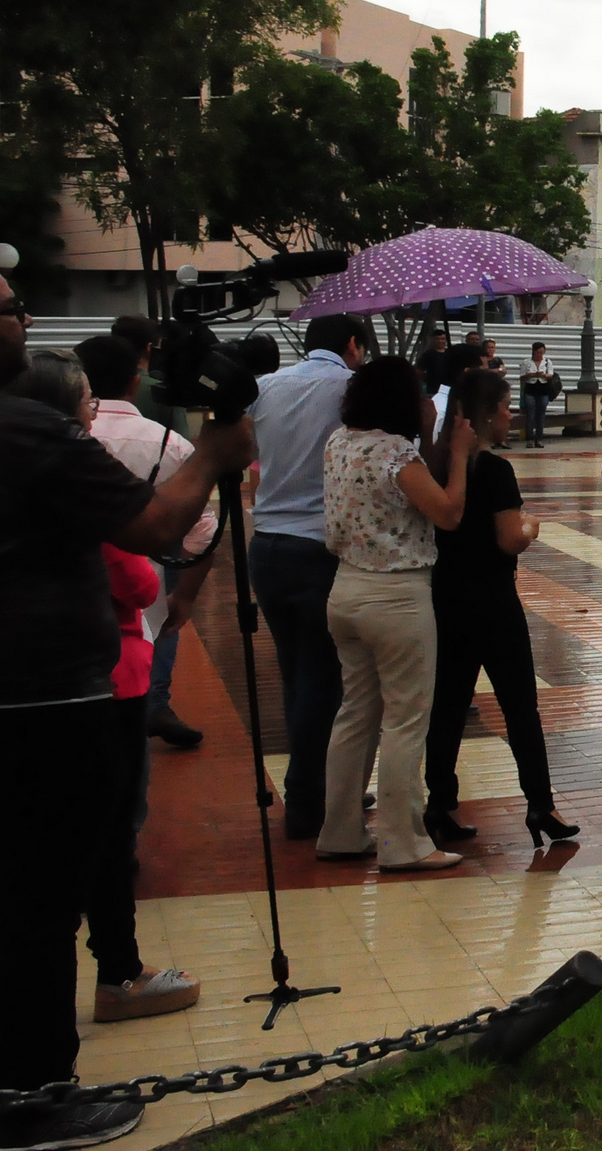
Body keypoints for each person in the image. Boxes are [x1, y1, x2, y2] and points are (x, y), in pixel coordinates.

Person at [0, 260, 250, 1151]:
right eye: (11, 311)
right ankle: (33, 1097)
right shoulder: (23, 430)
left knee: (9, 860)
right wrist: (215, 453)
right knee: (40, 894)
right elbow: (150, 525)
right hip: (38, 698)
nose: (24, 323)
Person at [7, 351, 202, 1027]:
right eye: (85, 399)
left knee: (13, 842)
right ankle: (119, 971)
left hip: (15, 676)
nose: (93, 409)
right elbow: (140, 579)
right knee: (106, 832)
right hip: (104, 674)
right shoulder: (70, 469)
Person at [316, 357, 473, 871]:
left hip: (345, 591)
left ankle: (339, 831)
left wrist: (425, 434)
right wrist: (461, 455)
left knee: (355, 713)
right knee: (406, 720)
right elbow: (447, 513)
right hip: (396, 596)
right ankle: (402, 844)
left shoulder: (340, 442)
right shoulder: (395, 452)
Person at [423, 369, 578, 849]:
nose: (512, 416)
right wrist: (531, 528)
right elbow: (509, 539)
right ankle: (540, 802)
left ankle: (441, 803)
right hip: (492, 599)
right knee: (519, 705)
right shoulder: (494, 471)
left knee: (447, 706)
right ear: (487, 415)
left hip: (446, 597)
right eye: (507, 407)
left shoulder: (433, 465)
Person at [248, 313, 374, 841]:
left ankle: (320, 781)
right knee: (325, 679)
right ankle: (307, 798)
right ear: (351, 345)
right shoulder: (352, 389)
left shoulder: (264, 387)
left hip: (267, 545)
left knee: (296, 671)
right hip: (317, 547)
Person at [77, 335, 216, 750]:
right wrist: (186, 596)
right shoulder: (167, 442)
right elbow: (203, 532)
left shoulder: (56, 439)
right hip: (144, 584)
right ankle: (153, 703)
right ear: (134, 382)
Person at [521, 341, 557, 446]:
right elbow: (522, 377)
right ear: (533, 352)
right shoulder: (526, 362)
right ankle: (530, 438)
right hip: (530, 389)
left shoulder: (547, 362)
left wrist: (544, 375)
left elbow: (551, 374)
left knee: (541, 414)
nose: (539, 355)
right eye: (537, 352)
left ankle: (539, 438)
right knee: (530, 414)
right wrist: (531, 375)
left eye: (541, 352)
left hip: (543, 389)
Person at [418, 328, 451, 395]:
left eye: (442, 339)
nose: (440, 341)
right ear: (433, 340)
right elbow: (419, 370)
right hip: (433, 390)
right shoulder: (428, 354)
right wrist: (428, 379)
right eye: (437, 339)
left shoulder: (451, 354)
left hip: (449, 389)